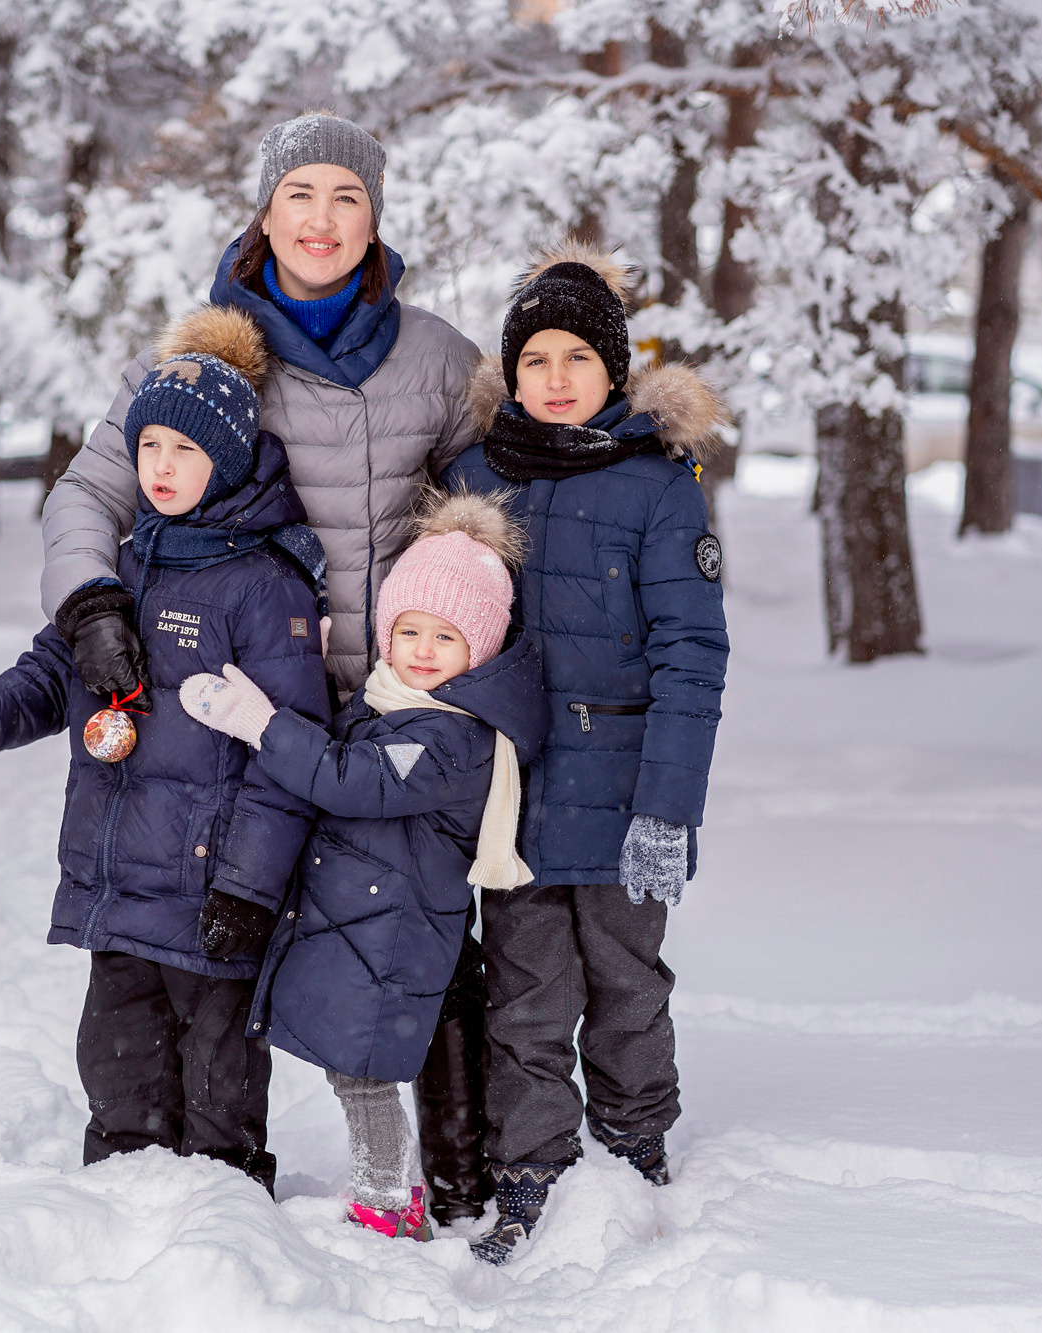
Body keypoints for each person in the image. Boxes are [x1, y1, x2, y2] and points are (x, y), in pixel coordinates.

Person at [41, 112, 498, 1225]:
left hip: (388, 705)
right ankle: (191, 1168)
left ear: (375, 217)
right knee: (202, 935)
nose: (321, 220)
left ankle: (457, 1173)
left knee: (406, 938)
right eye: (300, 195)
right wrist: (91, 601)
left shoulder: (438, 358)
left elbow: (494, 514)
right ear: (263, 212)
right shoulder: (204, 356)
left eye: (346, 196)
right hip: (235, 702)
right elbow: (87, 495)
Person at [0, 307, 328, 1194]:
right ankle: (116, 1213)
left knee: (220, 1086)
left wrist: (251, 888)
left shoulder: (265, 584)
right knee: (117, 1067)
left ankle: (226, 1227)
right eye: (149, 448)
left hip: (213, 896)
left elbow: (284, 753)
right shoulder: (128, 565)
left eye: (184, 452)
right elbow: (49, 669)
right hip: (123, 887)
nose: (162, 468)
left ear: (224, 459)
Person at [442, 241, 731, 1264]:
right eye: (535, 361)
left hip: (619, 794)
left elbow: (691, 655)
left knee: (625, 985)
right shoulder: (474, 478)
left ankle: (634, 1147)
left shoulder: (655, 485)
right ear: (509, 374)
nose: (555, 378)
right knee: (522, 997)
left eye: (576, 358)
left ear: (612, 370)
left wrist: (666, 809)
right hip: (513, 796)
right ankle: (530, 1176)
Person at [176, 494, 547, 1239]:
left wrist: (261, 723)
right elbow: (346, 748)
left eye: (445, 636)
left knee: (368, 1076)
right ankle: (391, 1193)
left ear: (479, 645)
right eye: (407, 630)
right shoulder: (394, 701)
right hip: (363, 925)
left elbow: (352, 779)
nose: (421, 648)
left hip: (391, 932)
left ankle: (388, 1202)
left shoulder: (453, 737)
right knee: (355, 1071)